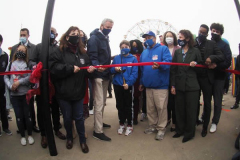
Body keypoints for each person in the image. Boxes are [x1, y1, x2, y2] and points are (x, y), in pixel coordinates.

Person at [49, 26, 95, 153]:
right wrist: (70, 68)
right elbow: (53, 68)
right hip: (63, 93)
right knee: (68, 118)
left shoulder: (83, 53)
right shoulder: (59, 51)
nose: (76, 36)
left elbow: (87, 70)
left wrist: (90, 71)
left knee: (79, 117)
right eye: (73, 33)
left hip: (78, 92)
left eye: (77, 34)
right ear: (67, 36)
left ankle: (82, 141)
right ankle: (69, 137)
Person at [30, 27, 66, 148]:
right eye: (49, 32)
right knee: (41, 110)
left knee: (55, 108)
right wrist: (37, 67)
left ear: (56, 35)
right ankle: (44, 134)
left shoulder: (58, 48)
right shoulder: (38, 47)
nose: (51, 35)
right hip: (42, 84)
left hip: (55, 84)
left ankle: (56, 129)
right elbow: (31, 61)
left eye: (53, 33)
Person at [139, 31, 172, 141]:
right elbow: (142, 69)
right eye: (145, 38)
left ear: (154, 38)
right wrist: (141, 82)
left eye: (149, 37)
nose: (147, 39)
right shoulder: (144, 52)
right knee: (150, 108)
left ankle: (161, 128)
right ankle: (152, 125)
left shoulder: (163, 49)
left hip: (160, 85)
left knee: (161, 108)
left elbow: (168, 63)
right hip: (148, 85)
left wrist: (160, 66)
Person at [171, 30, 202, 143]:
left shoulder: (195, 51)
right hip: (179, 85)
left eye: (181, 37)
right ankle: (179, 130)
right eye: (178, 37)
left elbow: (202, 69)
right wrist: (173, 85)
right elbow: (173, 70)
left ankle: (189, 133)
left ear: (188, 39)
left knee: (191, 110)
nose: (179, 39)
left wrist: (196, 65)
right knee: (179, 110)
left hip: (192, 86)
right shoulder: (178, 52)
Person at [194, 24, 224, 137]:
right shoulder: (194, 44)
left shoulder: (212, 44)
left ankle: (205, 127)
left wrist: (212, 58)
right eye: (199, 31)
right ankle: (195, 121)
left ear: (207, 34)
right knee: (195, 101)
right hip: (195, 77)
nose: (201, 34)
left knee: (207, 103)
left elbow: (221, 56)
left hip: (207, 78)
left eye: (203, 32)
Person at [87, 18, 114, 141]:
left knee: (102, 102)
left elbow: (104, 55)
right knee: (98, 103)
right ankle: (98, 131)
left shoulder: (104, 38)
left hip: (106, 74)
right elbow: (93, 55)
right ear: (101, 26)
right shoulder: (94, 38)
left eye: (111, 28)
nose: (109, 29)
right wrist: (97, 67)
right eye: (107, 27)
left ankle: (99, 123)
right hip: (98, 75)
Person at [10, 28, 39, 133]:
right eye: (21, 34)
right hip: (16, 83)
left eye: (24, 35)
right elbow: (11, 65)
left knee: (30, 105)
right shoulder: (14, 48)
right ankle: (22, 127)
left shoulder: (33, 48)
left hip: (29, 82)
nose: (22, 36)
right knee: (20, 109)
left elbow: (35, 63)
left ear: (28, 36)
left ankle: (33, 125)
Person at [4, 45, 34, 145]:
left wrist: (19, 82)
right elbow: (6, 77)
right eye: (19, 49)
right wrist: (10, 85)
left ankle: (30, 135)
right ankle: (22, 136)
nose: (20, 51)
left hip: (25, 94)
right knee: (19, 116)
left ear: (26, 52)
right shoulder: (10, 64)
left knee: (27, 115)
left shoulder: (27, 63)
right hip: (14, 95)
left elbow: (30, 77)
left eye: (23, 50)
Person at [110, 40, 138, 136]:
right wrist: (115, 69)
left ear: (129, 48)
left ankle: (129, 124)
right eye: (122, 47)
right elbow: (111, 69)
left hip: (127, 86)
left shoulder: (133, 59)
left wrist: (129, 83)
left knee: (128, 105)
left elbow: (134, 73)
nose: (124, 48)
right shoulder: (117, 58)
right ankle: (121, 123)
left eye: (126, 46)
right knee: (119, 105)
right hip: (117, 85)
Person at [209, 23, 232, 133]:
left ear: (221, 33)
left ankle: (214, 122)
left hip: (219, 77)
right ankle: (204, 117)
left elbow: (228, 61)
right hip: (208, 76)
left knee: (217, 102)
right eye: (213, 30)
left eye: (217, 31)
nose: (215, 33)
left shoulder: (224, 45)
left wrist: (216, 66)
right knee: (207, 100)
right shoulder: (208, 43)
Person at [163, 31, 180, 132]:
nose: (169, 38)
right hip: (164, 77)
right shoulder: (162, 48)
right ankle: (167, 119)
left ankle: (174, 122)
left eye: (171, 36)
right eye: (167, 36)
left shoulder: (178, 49)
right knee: (166, 101)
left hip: (175, 78)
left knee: (174, 101)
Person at [0, 34, 12, 136]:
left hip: (2, 87)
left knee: (3, 108)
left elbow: (6, 71)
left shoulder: (5, 55)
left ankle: (6, 128)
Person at [129, 39, 144, 125]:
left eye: (136, 46)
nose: (135, 47)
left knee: (136, 99)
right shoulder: (128, 55)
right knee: (128, 99)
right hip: (129, 79)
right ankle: (127, 117)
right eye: (133, 46)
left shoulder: (141, 56)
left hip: (138, 80)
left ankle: (135, 118)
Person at [232, 44, 240, 109]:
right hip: (239, 77)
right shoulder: (238, 57)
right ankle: (236, 103)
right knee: (238, 91)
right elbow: (236, 67)